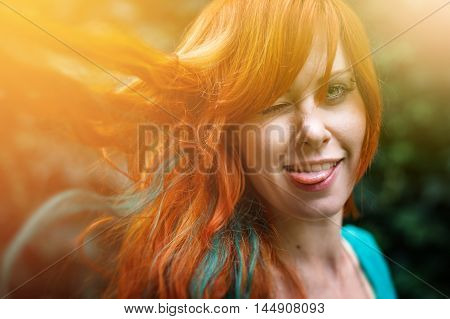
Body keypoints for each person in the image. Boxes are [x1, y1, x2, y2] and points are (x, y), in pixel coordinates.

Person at [1, 0, 397, 298]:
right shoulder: (204, 290)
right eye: (272, 103)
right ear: (228, 132)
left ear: (367, 104)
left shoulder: (370, 258)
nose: (312, 130)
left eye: (335, 90)